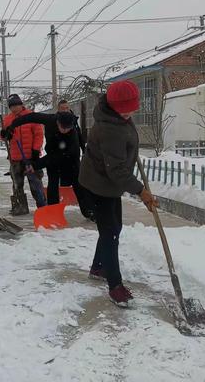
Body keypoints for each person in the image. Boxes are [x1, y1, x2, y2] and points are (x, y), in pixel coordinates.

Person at [79, 81, 158, 307]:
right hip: (99, 184)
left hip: (109, 182)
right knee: (110, 233)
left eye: (132, 107)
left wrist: (131, 151)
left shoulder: (118, 116)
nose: (130, 113)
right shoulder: (109, 128)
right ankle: (115, 286)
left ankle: (98, 267)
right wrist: (141, 191)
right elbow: (116, 171)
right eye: (126, 109)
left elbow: (120, 157)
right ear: (114, 106)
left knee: (114, 228)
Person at [5, 110, 94, 220]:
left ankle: (89, 211)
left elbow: (57, 157)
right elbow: (31, 117)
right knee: (53, 184)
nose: (65, 130)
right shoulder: (50, 120)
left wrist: (35, 165)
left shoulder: (72, 135)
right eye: (63, 127)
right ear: (57, 122)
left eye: (68, 128)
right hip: (52, 153)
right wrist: (13, 125)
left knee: (78, 185)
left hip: (70, 159)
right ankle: (53, 212)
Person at [1, 94, 46, 215]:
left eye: (16, 105)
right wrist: (5, 134)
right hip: (15, 157)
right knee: (17, 184)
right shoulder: (7, 119)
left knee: (35, 184)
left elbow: (38, 134)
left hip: (31, 157)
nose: (14, 108)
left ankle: (43, 207)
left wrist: (36, 150)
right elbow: (4, 137)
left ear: (21, 104)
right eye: (12, 106)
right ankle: (19, 206)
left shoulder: (31, 116)